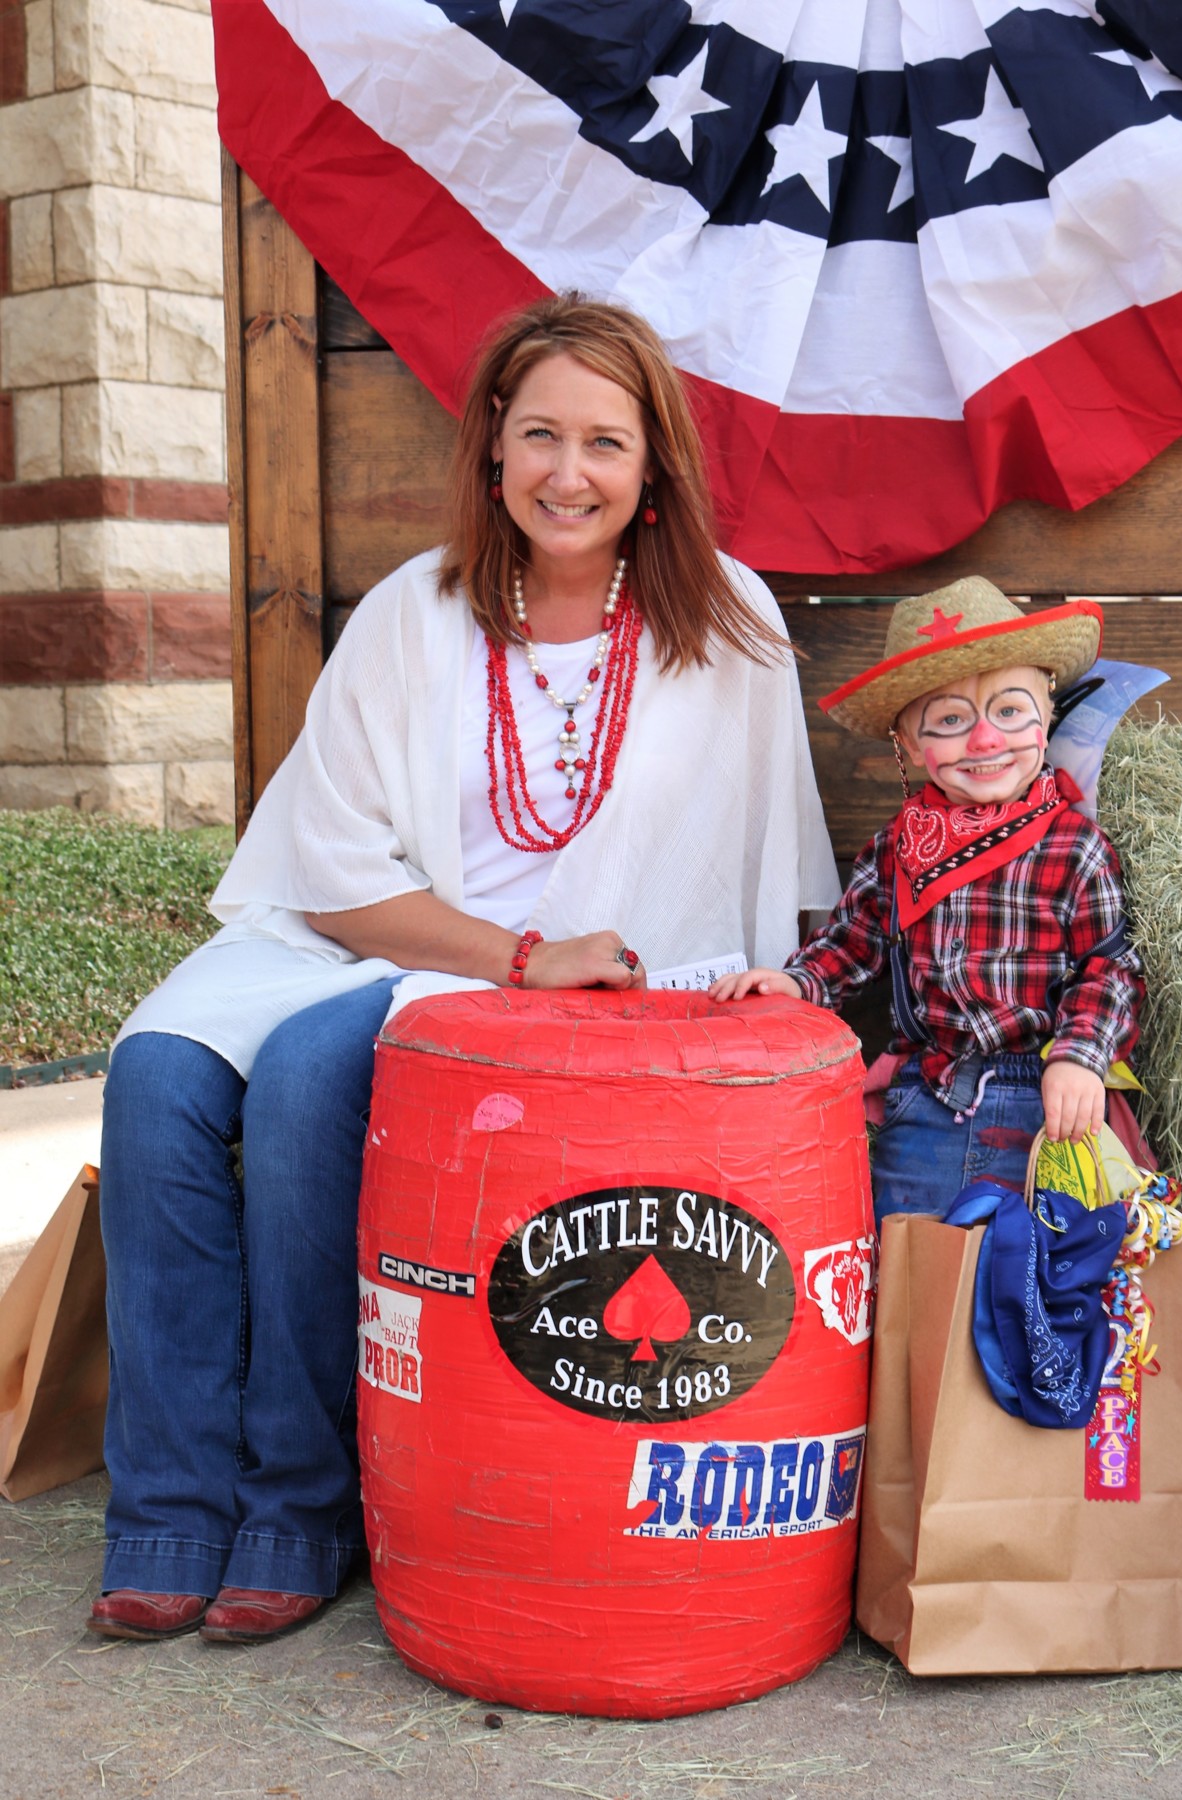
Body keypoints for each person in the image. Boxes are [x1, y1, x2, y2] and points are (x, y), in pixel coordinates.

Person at [89, 294, 839, 1644]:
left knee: (314, 1078)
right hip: (377, 938)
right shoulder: (412, 613)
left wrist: (699, 990)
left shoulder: (724, 624)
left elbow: (760, 860)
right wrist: (511, 952)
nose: (568, 473)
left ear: (652, 463)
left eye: (604, 443)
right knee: (152, 1076)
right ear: (492, 447)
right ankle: (166, 1511)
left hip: (573, 984)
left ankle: (294, 1509)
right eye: (538, 434)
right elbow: (334, 875)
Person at [711, 577, 1144, 1232]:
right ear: (909, 745)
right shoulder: (898, 847)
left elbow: (1110, 971)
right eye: (949, 721)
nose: (984, 740)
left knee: (1034, 1282)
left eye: (1009, 710)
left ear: (1046, 713)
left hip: (1045, 1099)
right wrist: (796, 982)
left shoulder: (1074, 846)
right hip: (930, 1095)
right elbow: (852, 944)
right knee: (909, 1262)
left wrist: (1081, 1056)